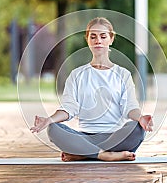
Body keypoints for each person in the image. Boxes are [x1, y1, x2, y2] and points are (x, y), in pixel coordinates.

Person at [30, 17, 153, 162]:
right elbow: (69, 108)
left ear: (111, 39)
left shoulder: (123, 74)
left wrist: (140, 118)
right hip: (85, 137)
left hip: (115, 138)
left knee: (137, 129)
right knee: (53, 128)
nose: (98, 41)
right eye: (93, 36)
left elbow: (130, 107)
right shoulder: (77, 75)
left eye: (103, 36)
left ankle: (83, 154)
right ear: (87, 40)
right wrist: (48, 120)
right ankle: (103, 155)